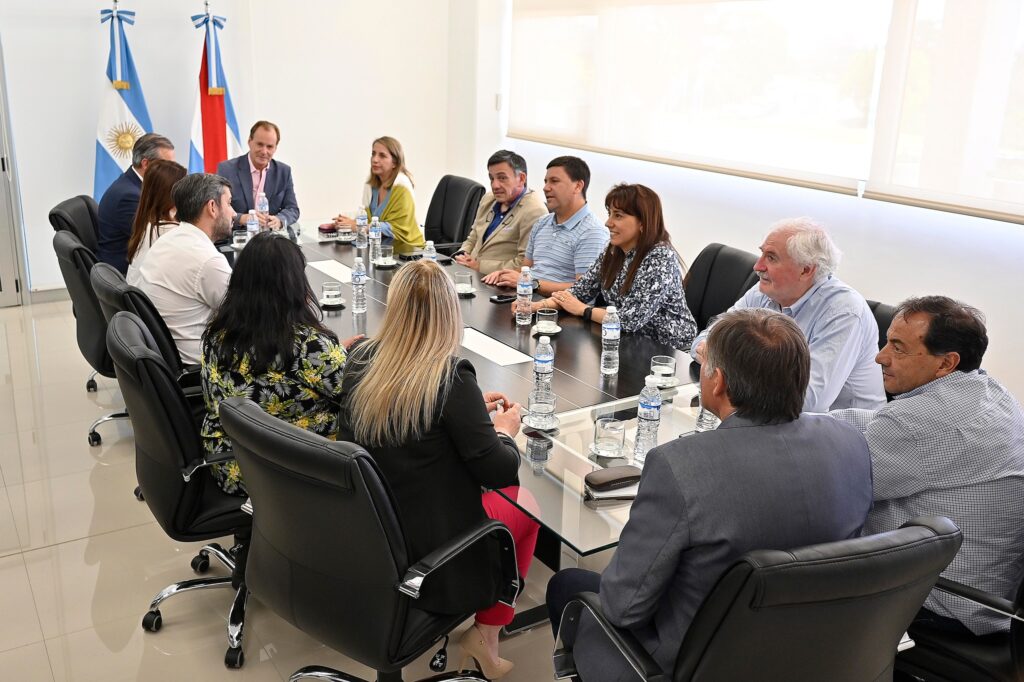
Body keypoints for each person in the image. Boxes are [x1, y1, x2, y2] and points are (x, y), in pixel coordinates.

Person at [546, 308, 873, 682]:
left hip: (693, 663)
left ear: (716, 381)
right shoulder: (851, 441)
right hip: (812, 653)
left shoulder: (680, 465)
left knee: (568, 585)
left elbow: (624, 607)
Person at [337, 260, 538, 680]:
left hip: (370, 537)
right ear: (451, 313)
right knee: (526, 503)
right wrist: (502, 432)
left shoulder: (360, 359)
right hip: (432, 551)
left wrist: (467, 422)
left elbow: (402, 427)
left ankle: (483, 637)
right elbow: (500, 471)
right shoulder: (450, 376)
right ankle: (486, 633)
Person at [831, 296, 1024, 636]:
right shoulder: (986, 391)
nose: (880, 357)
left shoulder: (921, 426)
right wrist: (819, 421)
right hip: (989, 600)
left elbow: (831, 488)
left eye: (898, 348)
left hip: (940, 604)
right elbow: (879, 422)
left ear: (946, 363)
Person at [200, 232, 358, 495]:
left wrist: (333, 353)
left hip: (230, 461)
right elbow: (358, 395)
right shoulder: (306, 345)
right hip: (286, 469)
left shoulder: (218, 332)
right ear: (293, 284)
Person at [690, 217, 885, 412]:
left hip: (841, 431)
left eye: (771, 258)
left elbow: (808, 401)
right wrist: (733, 365)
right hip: (772, 415)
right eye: (762, 254)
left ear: (806, 270)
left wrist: (726, 362)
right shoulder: (764, 293)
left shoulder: (844, 313)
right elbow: (704, 341)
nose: (757, 267)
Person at [518, 183, 697, 350]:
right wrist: (535, 306)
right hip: (627, 341)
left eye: (618, 215)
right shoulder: (613, 250)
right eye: (609, 213)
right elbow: (579, 291)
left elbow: (629, 320)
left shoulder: (660, 256)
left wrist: (584, 310)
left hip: (667, 351)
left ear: (643, 222)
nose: (608, 222)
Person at [136, 173, 234, 365]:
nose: (234, 212)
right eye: (229, 203)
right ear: (212, 207)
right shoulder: (208, 261)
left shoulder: (167, 240)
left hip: (166, 356)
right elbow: (247, 317)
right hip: (199, 365)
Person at [482, 156, 608, 295]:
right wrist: (503, 275)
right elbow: (525, 270)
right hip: (526, 297)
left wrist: (531, 284)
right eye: (546, 181)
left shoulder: (592, 232)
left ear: (578, 186)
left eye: (554, 181)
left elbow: (584, 291)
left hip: (559, 310)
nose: (545, 188)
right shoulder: (542, 223)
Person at [453, 149, 548, 275]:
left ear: (521, 178)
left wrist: (479, 266)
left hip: (499, 283)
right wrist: (462, 255)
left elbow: (524, 264)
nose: (495, 185)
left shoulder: (534, 211)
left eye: (502, 178)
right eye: (492, 178)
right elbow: (474, 236)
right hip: (468, 272)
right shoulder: (488, 198)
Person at [97, 133, 175, 274]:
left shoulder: (134, 185)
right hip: (125, 274)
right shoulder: (128, 196)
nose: (170, 171)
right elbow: (155, 239)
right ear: (146, 164)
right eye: (166, 165)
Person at [333, 136, 424, 254]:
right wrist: (344, 220)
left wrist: (358, 226)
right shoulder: (371, 185)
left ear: (395, 162)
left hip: (408, 250)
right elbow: (367, 214)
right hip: (380, 247)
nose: (375, 160)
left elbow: (395, 228)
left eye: (382, 156)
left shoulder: (402, 186)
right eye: (373, 154)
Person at [217, 120, 300, 232]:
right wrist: (241, 218)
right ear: (250, 142)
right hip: (237, 237)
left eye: (270, 146)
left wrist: (279, 220)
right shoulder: (227, 169)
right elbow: (218, 209)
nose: (264, 151)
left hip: (270, 239)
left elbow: (292, 209)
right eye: (260, 144)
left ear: (275, 148)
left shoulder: (283, 172)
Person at [125, 159, 187, 286]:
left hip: (139, 300)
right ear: (172, 193)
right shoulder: (170, 232)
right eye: (186, 187)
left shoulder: (148, 222)